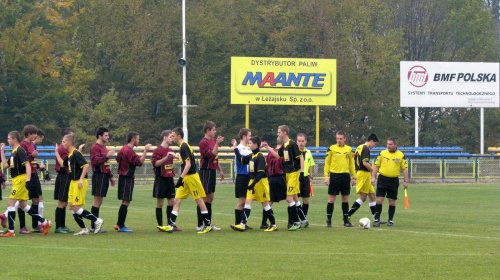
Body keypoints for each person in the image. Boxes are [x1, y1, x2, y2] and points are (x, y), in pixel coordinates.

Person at [0, 131, 51, 237]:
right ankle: (44, 222)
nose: (8, 140)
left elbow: (27, 165)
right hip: (17, 180)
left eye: (9, 138)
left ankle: (11, 231)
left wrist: (27, 180)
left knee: (10, 203)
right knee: (23, 205)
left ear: (15, 139)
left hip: (20, 180)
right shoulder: (14, 152)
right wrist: (2, 151)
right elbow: (5, 165)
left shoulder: (19, 151)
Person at [55, 134, 103, 235]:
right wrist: (56, 153)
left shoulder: (76, 153)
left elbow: (86, 165)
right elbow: (63, 164)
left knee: (76, 207)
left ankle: (97, 220)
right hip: (72, 182)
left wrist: (81, 179)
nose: (62, 144)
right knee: (72, 207)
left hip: (78, 182)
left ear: (69, 143)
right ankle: (84, 229)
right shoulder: (70, 154)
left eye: (63, 141)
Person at [167, 127, 212, 234]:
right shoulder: (182, 147)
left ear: (179, 136)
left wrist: (180, 178)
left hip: (191, 177)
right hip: (186, 178)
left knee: (199, 200)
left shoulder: (184, 147)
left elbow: (188, 164)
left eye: (173, 136)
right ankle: (170, 225)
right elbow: (183, 160)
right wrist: (174, 155)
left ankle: (208, 225)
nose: (172, 138)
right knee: (177, 200)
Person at [263, 125, 307, 231]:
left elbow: (300, 157)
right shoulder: (284, 145)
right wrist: (268, 148)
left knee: (289, 198)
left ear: (285, 132)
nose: (278, 134)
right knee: (295, 197)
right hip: (288, 174)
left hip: (293, 173)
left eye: (279, 132)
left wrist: (301, 172)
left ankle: (296, 222)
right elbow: (278, 156)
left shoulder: (292, 144)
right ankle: (304, 220)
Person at [230, 136, 278, 232]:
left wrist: (254, 183)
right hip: (253, 181)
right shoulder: (252, 155)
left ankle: (273, 224)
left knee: (265, 204)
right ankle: (242, 224)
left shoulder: (259, 156)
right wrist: (235, 147)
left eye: (251, 143)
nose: (249, 145)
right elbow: (241, 159)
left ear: (256, 144)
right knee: (248, 202)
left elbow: (261, 173)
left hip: (260, 182)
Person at [115, 131, 151, 232]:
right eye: (138, 139)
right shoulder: (129, 150)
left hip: (123, 176)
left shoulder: (123, 148)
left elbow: (118, 159)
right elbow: (139, 162)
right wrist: (145, 151)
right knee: (126, 200)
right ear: (133, 139)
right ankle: (120, 225)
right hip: (127, 177)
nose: (139, 141)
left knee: (125, 200)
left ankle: (119, 224)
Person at [371, 137, 409, 227]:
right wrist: (373, 177)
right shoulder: (382, 153)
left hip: (394, 180)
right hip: (382, 179)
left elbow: (404, 169)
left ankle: (390, 220)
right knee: (379, 199)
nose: (388, 146)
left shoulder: (401, 155)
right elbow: (376, 166)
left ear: (396, 145)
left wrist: (406, 181)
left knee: (392, 201)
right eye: (387, 144)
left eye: (390, 144)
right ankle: (377, 219)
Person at [324, 131, 356, 228]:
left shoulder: (349, 149)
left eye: (341, 138)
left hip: (345, 176)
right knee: (331, 199)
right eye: (337, 138)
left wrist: (354, 177)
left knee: (345, 198)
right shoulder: (331, 148)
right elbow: (327, 163)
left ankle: (346, 220)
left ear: (345, 139)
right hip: (334, 176)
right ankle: (329, 220)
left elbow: (351, 164)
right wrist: (326, 176)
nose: (339, 140)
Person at [197, 121, 224, 231]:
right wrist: (217, 144)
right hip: (206, 171)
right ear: (208, 130)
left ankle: (209, 223)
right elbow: (210, 155)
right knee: (204, 197)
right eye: (213, 130)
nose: (215, 131)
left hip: (213, 171)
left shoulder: (213, 140)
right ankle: (200, 224)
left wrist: (220, 170)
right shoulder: (203, 142)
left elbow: (216, 158)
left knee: (210, 198)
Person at [152, 130, 180, 232]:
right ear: (164, 138)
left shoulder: (171, 149)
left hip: (169, 179)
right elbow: (156, 164)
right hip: (161, 179)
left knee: (171, 201)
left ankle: (170, 224)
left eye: (173, 137)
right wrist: (167, 156)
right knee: (160, 202)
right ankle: (160, 226)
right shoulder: (157, 150)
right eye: (170, 137)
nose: (172, 139)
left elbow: (170, 166)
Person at [53, 127, 80, 234]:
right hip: (63, 176)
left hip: (67, 176)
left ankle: (62, 225)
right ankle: (58, 226)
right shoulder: (63, 149)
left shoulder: (66, 149)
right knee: (61, 202)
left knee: (64, 202)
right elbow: (64, 164)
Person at [89, 126, 116, 233]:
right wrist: (107, 156)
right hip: (98, 175)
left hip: (104, 176)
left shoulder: (103, 147)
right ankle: (93, 225)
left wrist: (110, 177)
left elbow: (105, 164)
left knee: (100, 201)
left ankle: (95, 224)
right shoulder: (95, 147)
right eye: (106, 135)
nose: (108, 137)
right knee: (97, 200)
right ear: (100, 136)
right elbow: (94, 161)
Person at [347, 133, 379, 220]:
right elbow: (365, 163)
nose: (374, 146)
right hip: (363, 173)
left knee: (372, 195)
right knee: (363, 197)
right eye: (375, 144)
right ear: (371, 141)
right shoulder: (365, 149)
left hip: (363, 174)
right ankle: (348, 215)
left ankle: (376, 218)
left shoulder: (359, 147)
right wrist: (375, 171)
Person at [20, 125, 43, 233]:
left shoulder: (32, 145)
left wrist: (34, 157)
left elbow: (31, 160)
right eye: (34, 133)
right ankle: (22, 226)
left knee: (36, 199)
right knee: (22, 201)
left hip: (34, 175)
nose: (36, 135)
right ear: (29, 134)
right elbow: (23, 160)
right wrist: (31, 156)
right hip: (26, 176)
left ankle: (35, 225)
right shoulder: (23, 145)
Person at [262, 137, 286, 228]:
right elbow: (283, 163)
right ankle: (293, 221)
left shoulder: (269, 153)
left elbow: (267, 164)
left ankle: (264, 222)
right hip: (280, 177)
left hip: (271, 178)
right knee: (291, 198)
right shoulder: (282, 152)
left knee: (269, 201)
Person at [232, 128, 254, 230]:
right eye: (249, 136)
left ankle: (242, 223)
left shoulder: (246, 148)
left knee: (246, 201)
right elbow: (249, 156)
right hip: (242, 177)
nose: (250, 138)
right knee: (242, 200)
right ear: (244, 136)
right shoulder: (240, 148)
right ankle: (238, 223)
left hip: (247, 177)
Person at [296, 133, 315, 227]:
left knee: (306, 200)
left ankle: (304, 219)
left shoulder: (308, 152)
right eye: (299, 141)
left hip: (305, 178)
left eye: (302, 141)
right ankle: (294, 220)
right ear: (296, 142)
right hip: (296, 178)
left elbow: (311, 164)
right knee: (295, 199)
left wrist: (311, 177)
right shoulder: (294, 152)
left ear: (306, 141)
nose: (301, 143)